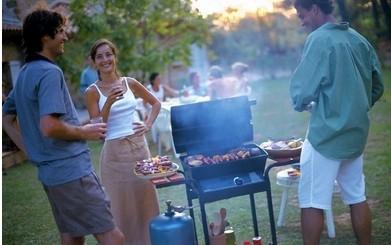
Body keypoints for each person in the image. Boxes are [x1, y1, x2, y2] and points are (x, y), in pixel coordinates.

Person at [2, 9, 124, 245]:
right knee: (114, 238)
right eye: (59, 32)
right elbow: (49, 126)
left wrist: (32, 153)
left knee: (72, 238)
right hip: (72, 172)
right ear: (45, 37)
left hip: (51, 175)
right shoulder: (49, 72)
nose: (65, 37)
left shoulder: (26, 73)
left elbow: (5, 117)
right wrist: (84, 131)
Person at [290, 1, 384, 244]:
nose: (301, 21)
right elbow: (377, 86)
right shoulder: (358, 39)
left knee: (312, 201)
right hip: (355, 135)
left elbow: (302, 91)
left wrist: (302, 102)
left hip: (326, 137)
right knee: (357, 196)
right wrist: (354, 108)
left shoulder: (318, 39)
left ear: (314, 9)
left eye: (302, 15)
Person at [84, 39, 161, 245]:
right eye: (99, 56)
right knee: (120, 209)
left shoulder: (130, 83)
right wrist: (108, 102)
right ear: (94, 62)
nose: (105, 59)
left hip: (139, 150)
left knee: (146, 204)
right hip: (115, 155)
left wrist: (148, 124)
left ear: (115, 57)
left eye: (108, 54)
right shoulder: (92, 92)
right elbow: (99, 129)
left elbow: (155, 103)